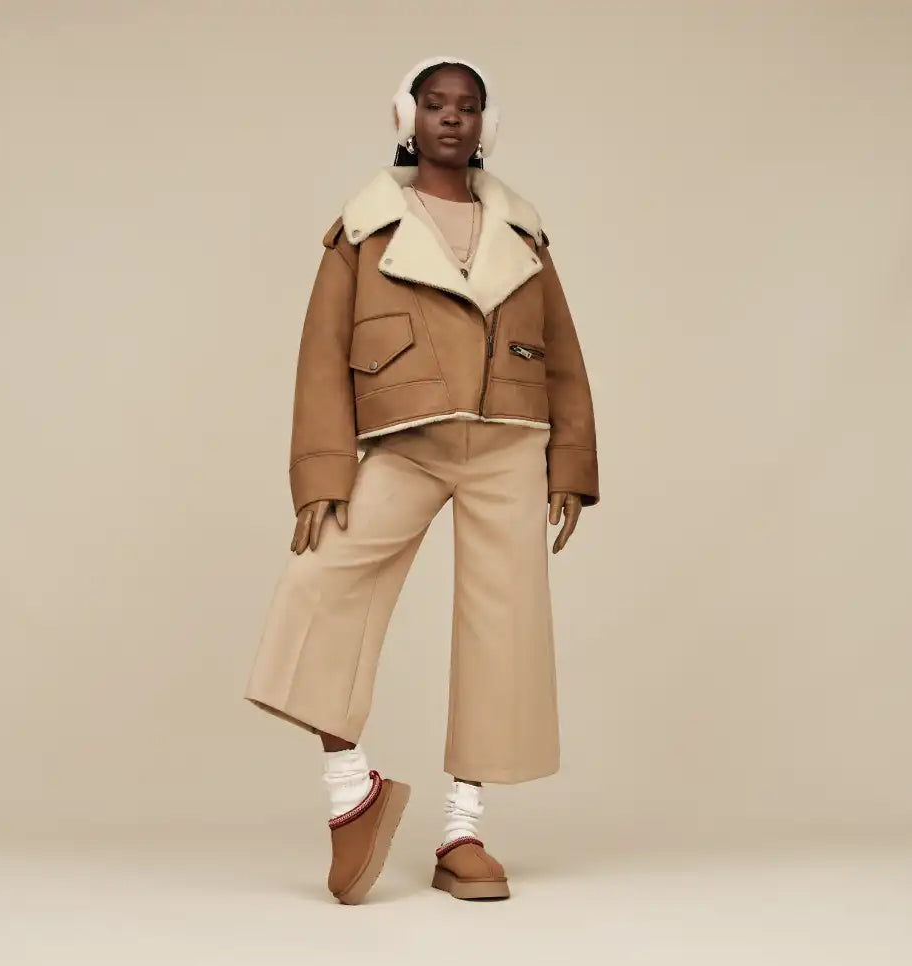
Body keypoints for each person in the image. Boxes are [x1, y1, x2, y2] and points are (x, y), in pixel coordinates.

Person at [244, 55, 600, 904]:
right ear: (407, 117)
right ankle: (351, 793)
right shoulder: (364, 226)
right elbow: (321, 353)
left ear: (486, 125)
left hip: (510, 444)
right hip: (404, 442)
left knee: (503, 634)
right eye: (435, 103)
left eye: (468, 106)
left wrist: (572, 463)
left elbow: (563, 354)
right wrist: (322, 470)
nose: (451, 117)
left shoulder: (524, 232)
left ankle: (462, 833)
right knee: (318, 588)